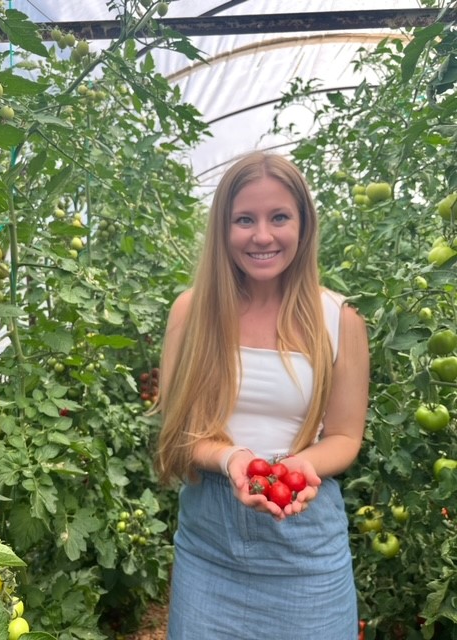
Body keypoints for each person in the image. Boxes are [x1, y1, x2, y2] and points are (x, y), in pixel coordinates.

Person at [155, 151, 369, 640]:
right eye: (244, 219)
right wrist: (232, 458)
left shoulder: (340, 319)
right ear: (223, 229)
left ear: (303, 224)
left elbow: (343, 435)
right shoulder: (191, 313)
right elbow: (180, 432)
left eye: (279, 217)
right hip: (210, 546)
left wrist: (294, 470)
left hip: (306, 545)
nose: (263, 236)